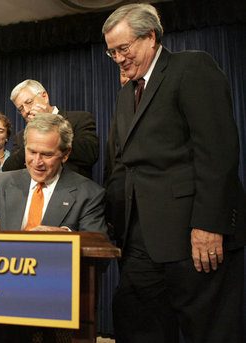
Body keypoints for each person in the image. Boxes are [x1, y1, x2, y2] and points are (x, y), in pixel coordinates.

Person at [102, 4, 246, 343]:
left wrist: (209, 224)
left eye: (124, 48)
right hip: (140, 241)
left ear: (150, 36)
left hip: (195, 236)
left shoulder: (191, 67)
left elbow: (218, 153)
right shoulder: (126, 94)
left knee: (210, 331)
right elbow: (122, 165)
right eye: (112, 53)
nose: (119, 58)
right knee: (136, 325)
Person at [0, 113, 106, 342]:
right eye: (31, 152)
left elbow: (100, 253)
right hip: (4, 299)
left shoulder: (88, 193)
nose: (37, 162)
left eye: (47, 155)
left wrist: (66, 237)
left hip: (55, 302)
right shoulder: (3, 183)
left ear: (66, 154)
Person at [2, 79, 98, 179]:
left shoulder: (80, 119)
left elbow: (90, 155)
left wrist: (50, 123)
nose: (26, 111)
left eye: (29, 102)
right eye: (21, 109)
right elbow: (8, 169)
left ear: (44, 96)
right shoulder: (21, 136)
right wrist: (31, 139)